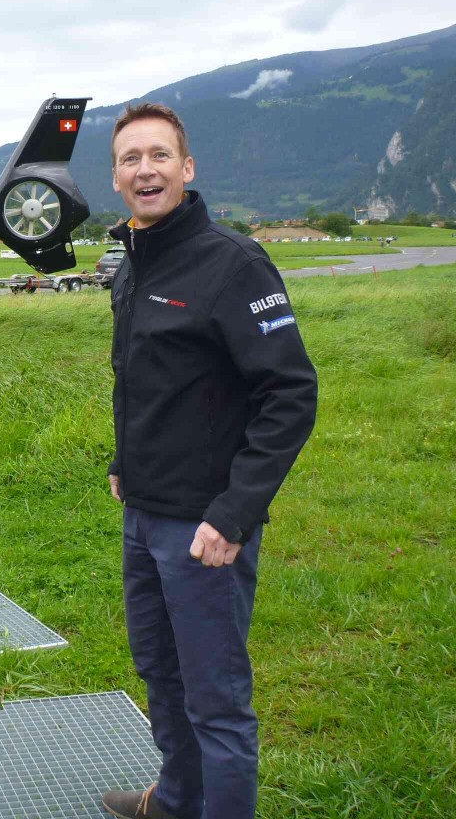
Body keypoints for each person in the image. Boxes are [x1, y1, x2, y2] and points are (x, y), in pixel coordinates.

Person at [100, 103, 317, 819]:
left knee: (215, 700)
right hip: (143, 513)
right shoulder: (133, 263)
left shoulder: (234, 263)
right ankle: (175, 801)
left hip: (205, 528)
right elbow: (145, 377)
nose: (145, 170)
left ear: (187, 168)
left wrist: (234, 513)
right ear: (116, 178)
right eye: (130, 159)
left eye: (159, 155)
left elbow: (290, 394)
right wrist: (124, 460)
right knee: (161, 674)